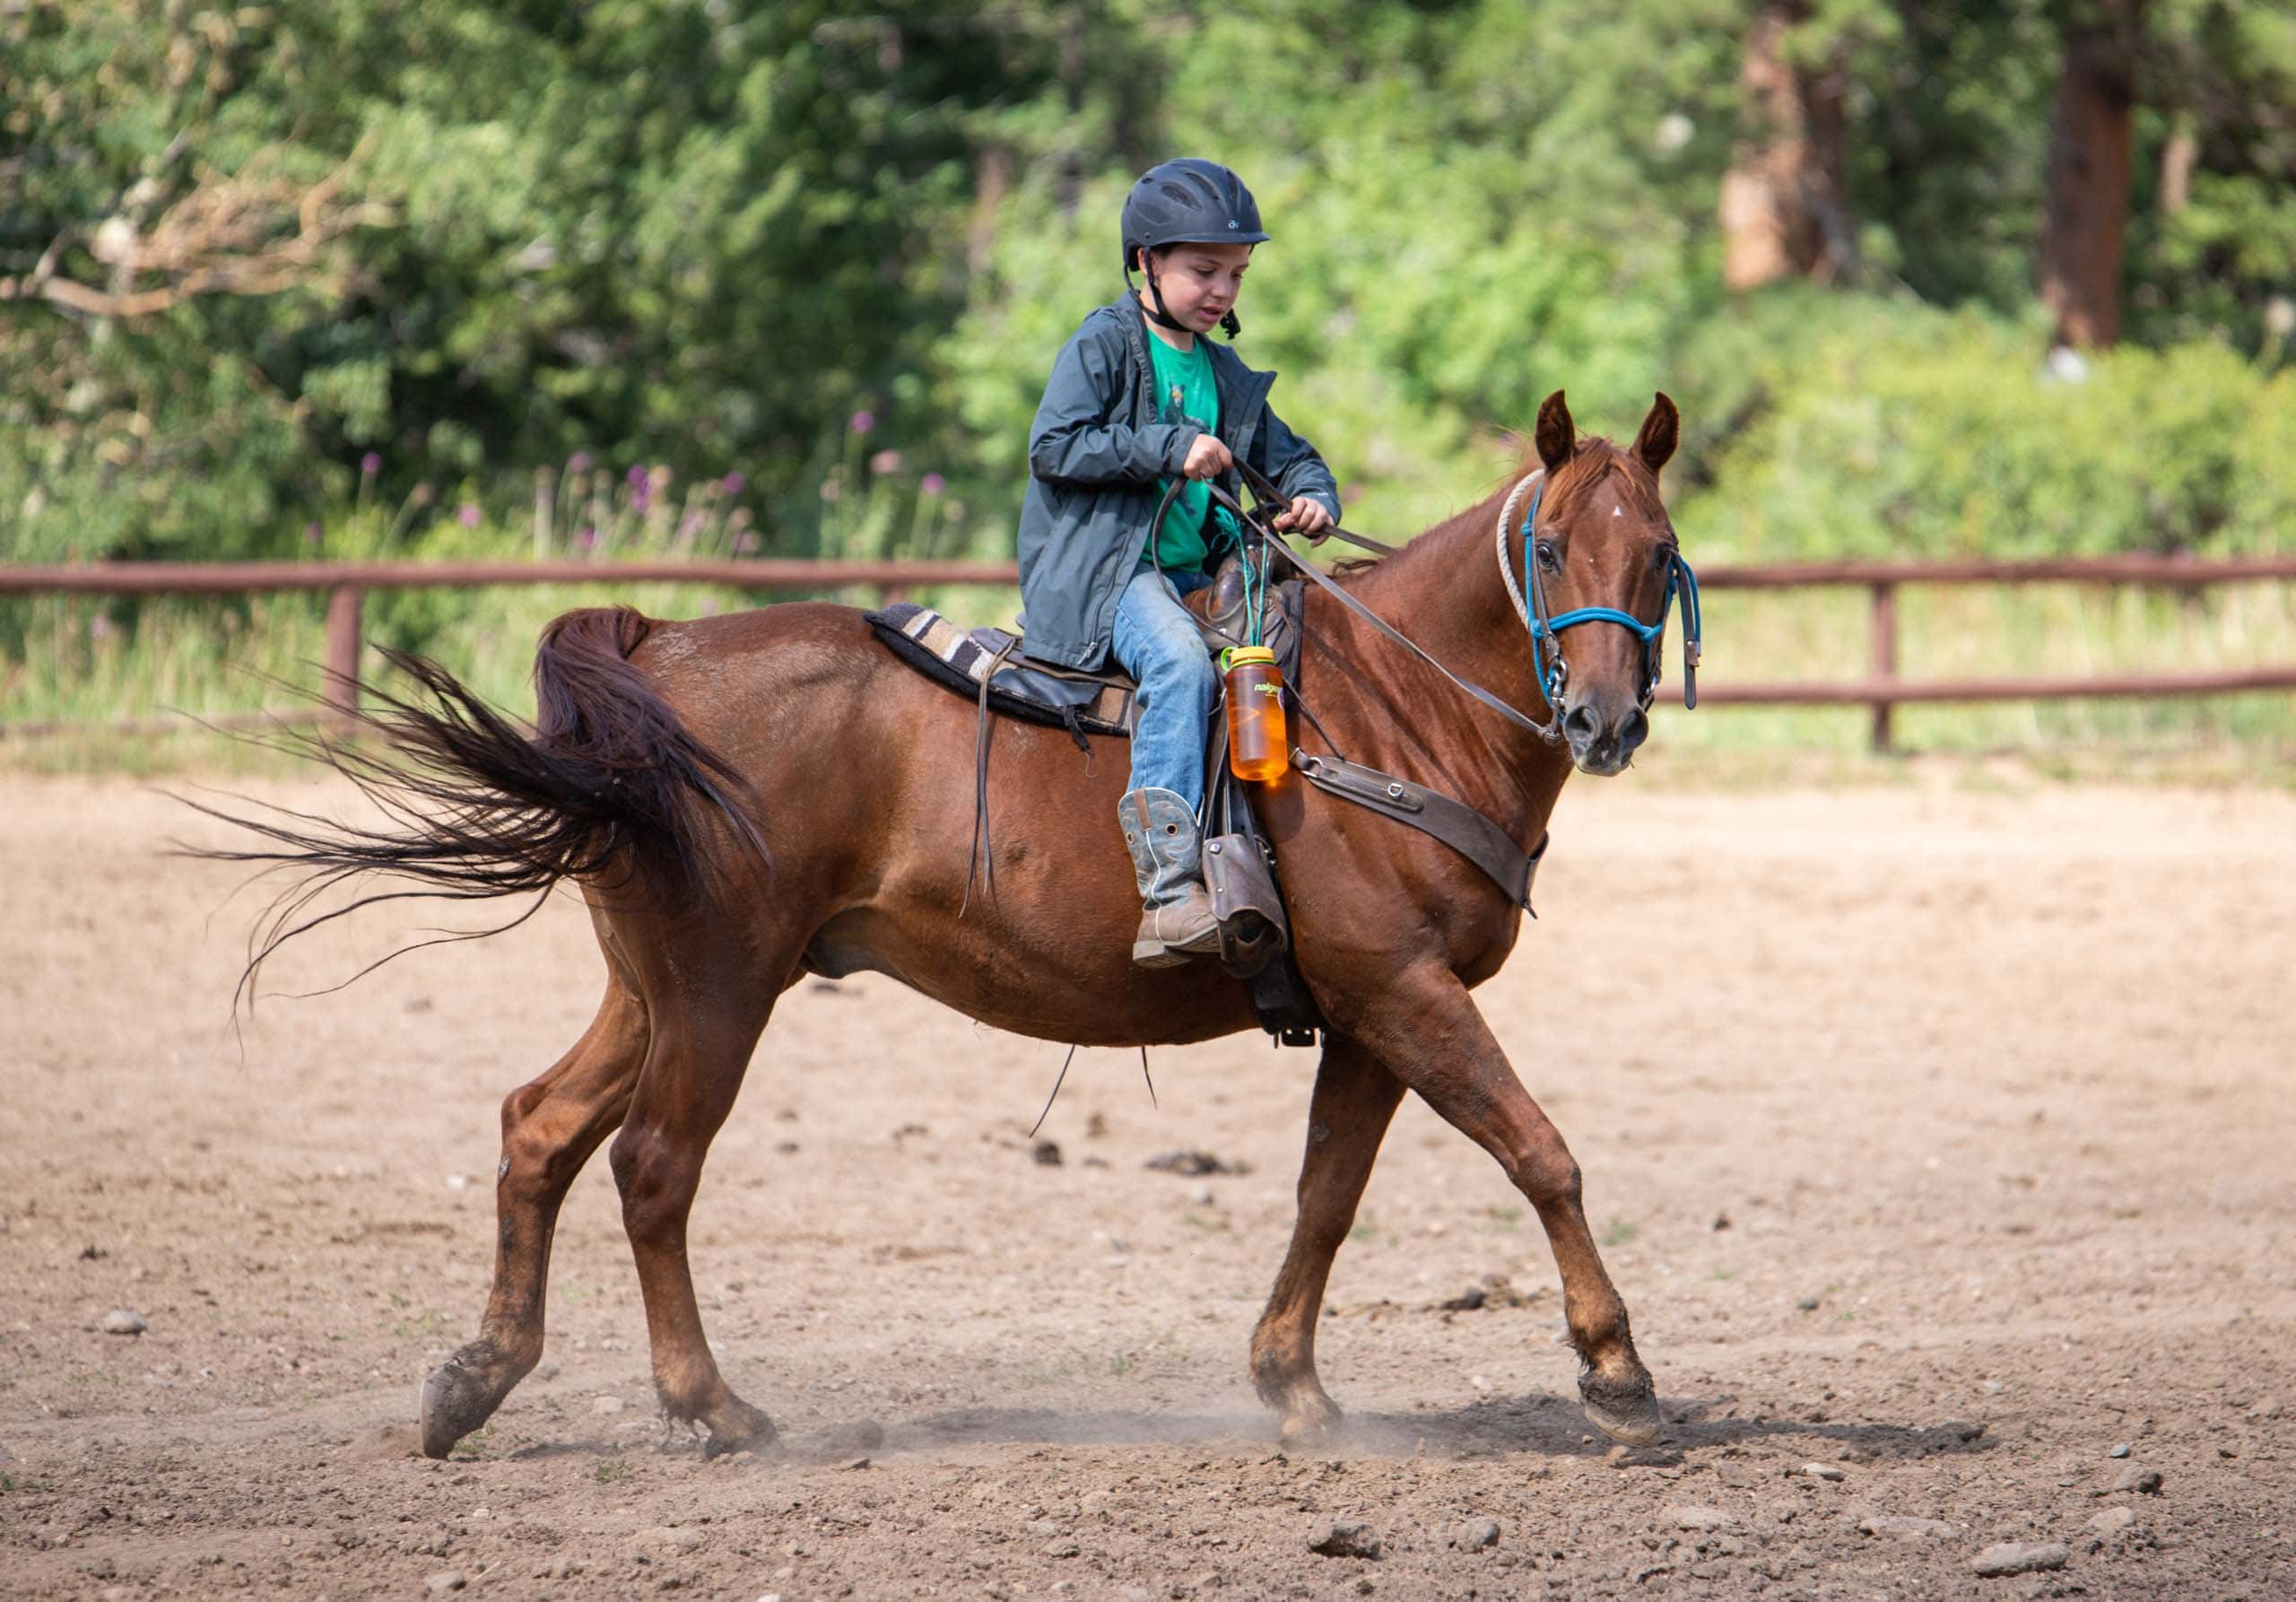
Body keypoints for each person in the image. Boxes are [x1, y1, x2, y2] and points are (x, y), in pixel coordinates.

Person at [1016, 158, 1341, 969]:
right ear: (1145, 265)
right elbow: (1054, 446)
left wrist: (1313, 498)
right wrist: (1169, 445)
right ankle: (1166, 889)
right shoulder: (1106, 343)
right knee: (1181, 669)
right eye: (1203, 270)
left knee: (1296, 659)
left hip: (1204, 578)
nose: (1222, 290)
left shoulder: (1226, 374)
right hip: (1111, 578)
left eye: (1235, 273)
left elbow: (1292, 457)